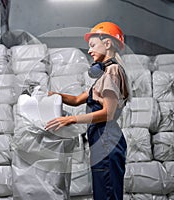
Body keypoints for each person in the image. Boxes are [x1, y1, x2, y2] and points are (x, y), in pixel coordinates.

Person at [45, 21, 130, 200]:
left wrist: (71, 120)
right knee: (104, 192)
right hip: (101, 140)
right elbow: (76, 100)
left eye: (92, 45)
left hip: (107, 139)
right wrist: (52, 94)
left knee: (107, 194)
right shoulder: (103, 75)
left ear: (107, 44)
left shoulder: (112, 72)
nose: (89, 51)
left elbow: (108, 113)